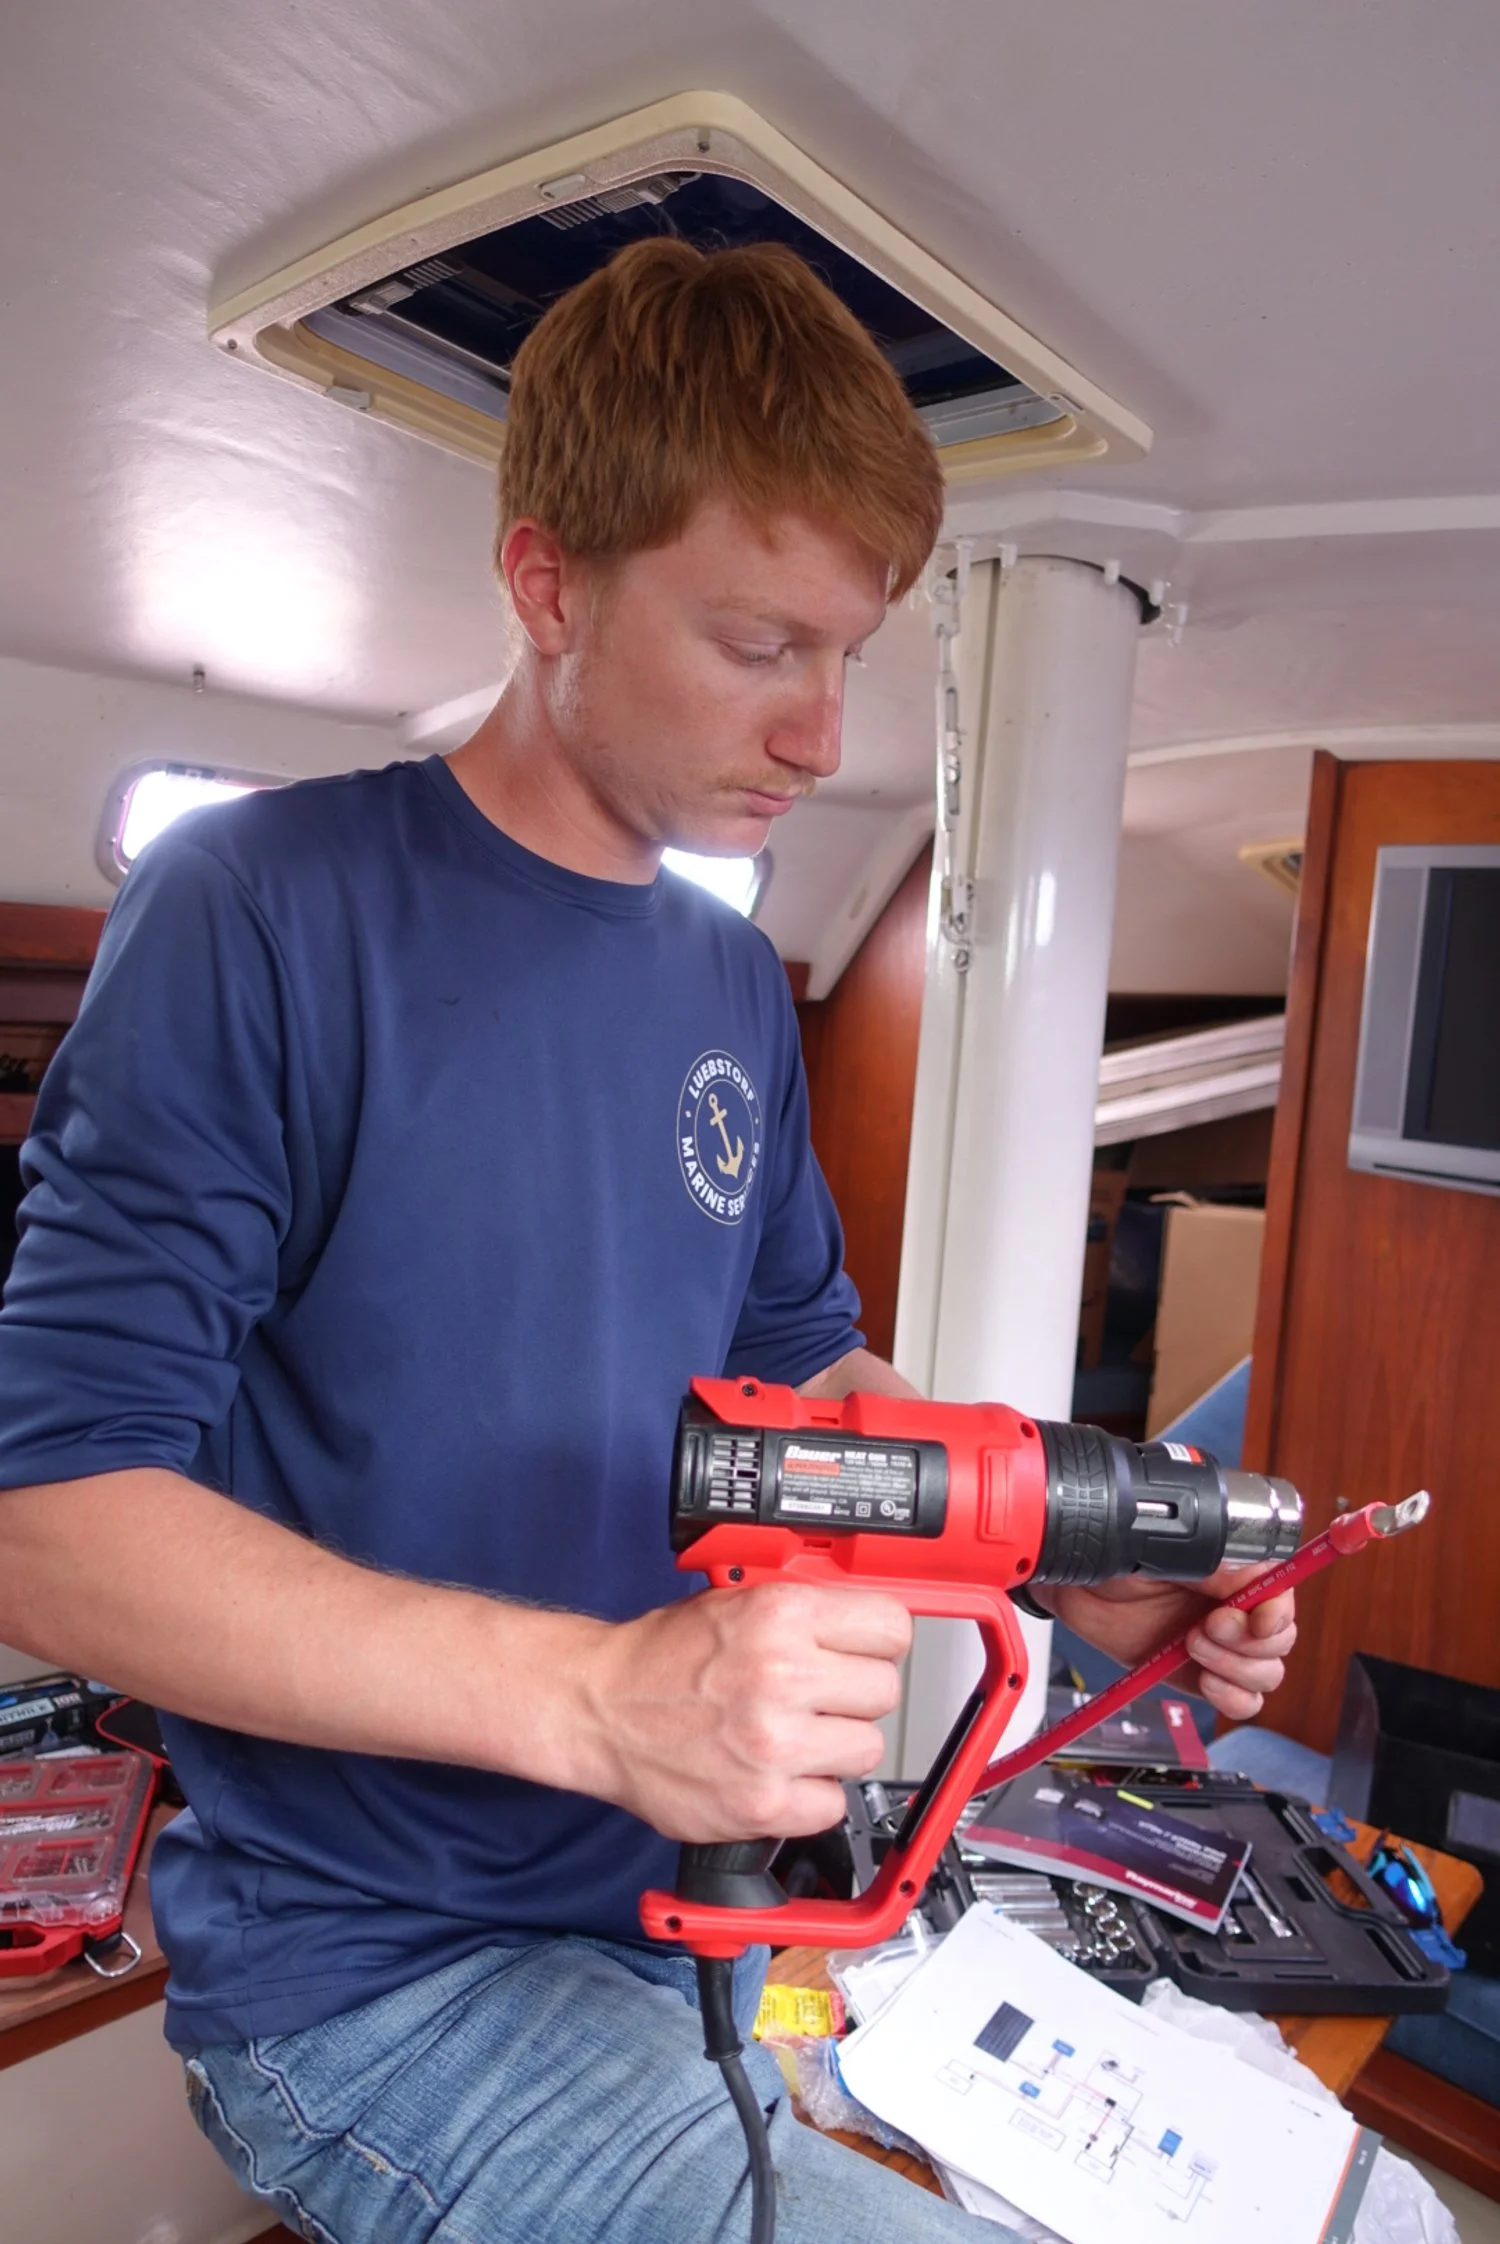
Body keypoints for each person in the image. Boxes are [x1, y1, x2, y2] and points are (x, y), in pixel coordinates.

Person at [0, 239, 1295, 2243]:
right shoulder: (260, 911)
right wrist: (608, 1701)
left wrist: (1072, 1562)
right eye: (760, 644)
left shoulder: (723, 981)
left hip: (701, 1911)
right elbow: (51, 1519)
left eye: (852, 658)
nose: (818, 732)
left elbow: (813, 1394)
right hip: (380, 1975)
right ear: (549, 586)